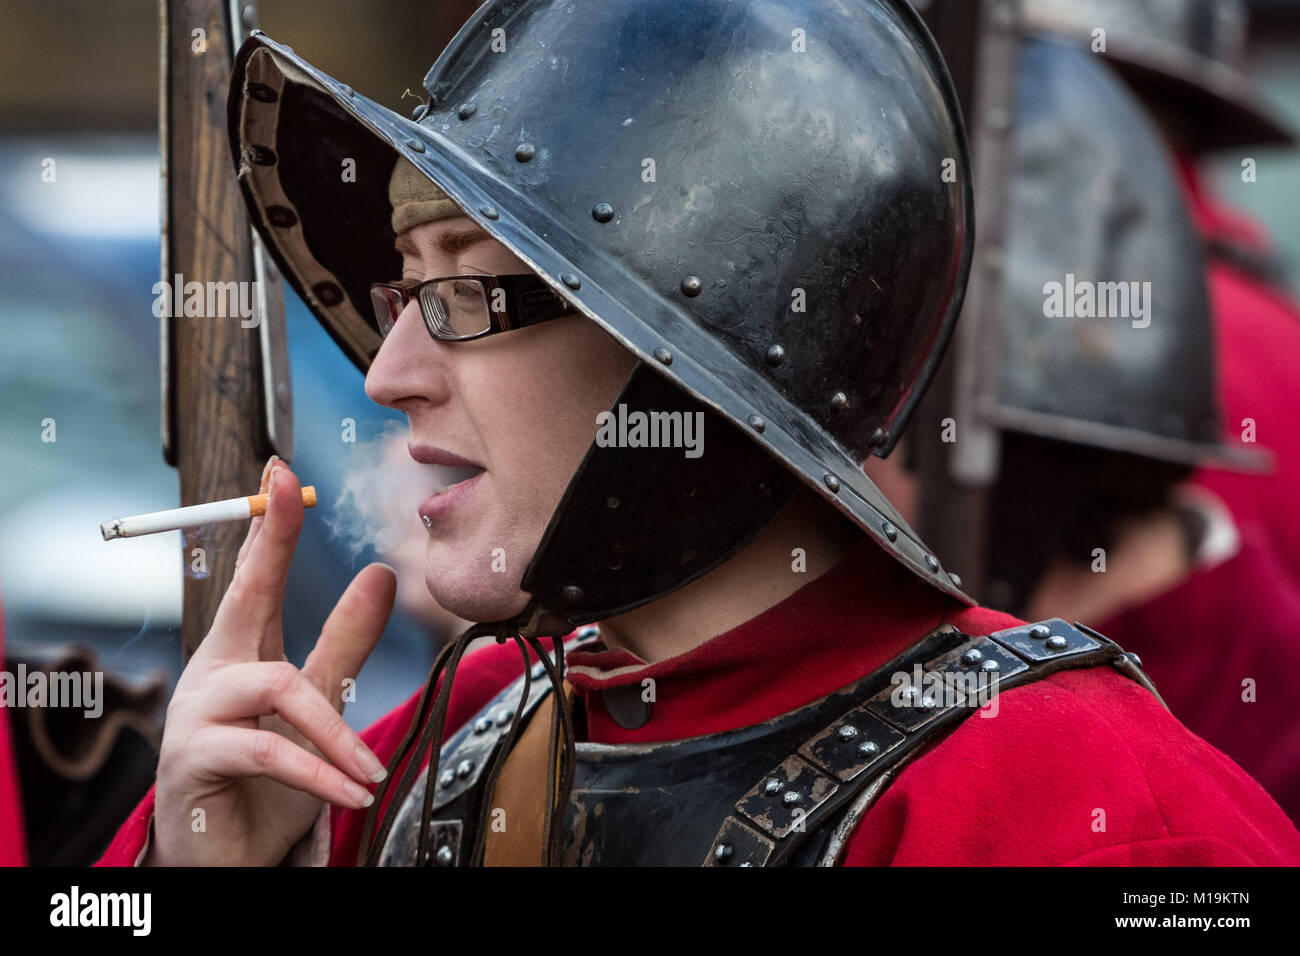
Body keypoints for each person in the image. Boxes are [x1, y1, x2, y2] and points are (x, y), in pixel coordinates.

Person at [97, 0, 1300, 867]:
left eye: (464, 293)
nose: (391, 376)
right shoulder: (446, 732)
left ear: (686, 343)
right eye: (403, 294)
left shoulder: (1079, 801)